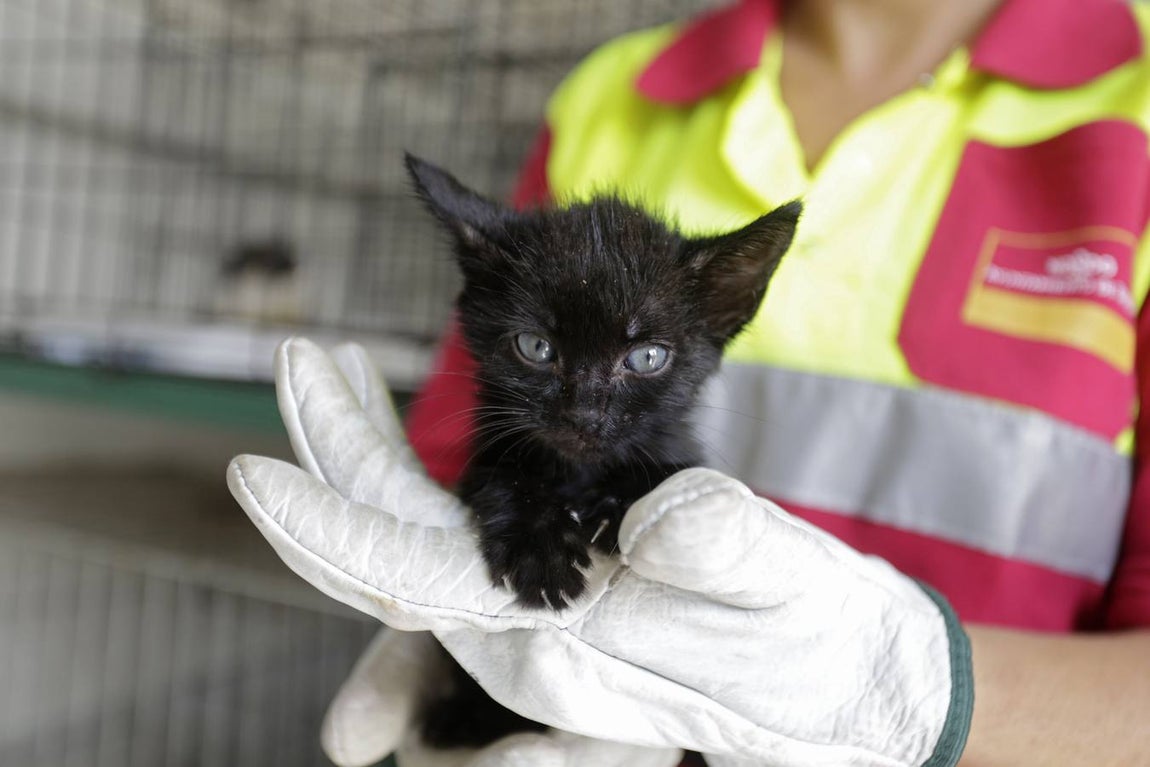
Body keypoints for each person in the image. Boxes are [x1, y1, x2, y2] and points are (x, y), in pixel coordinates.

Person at [232, 0, 1150, 764]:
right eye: (546, 355)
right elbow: (465, 449)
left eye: (641, 359)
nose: (588, 401)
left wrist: (910, 680)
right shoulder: (615, 93)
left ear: (727, 299)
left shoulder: (1132, 93)